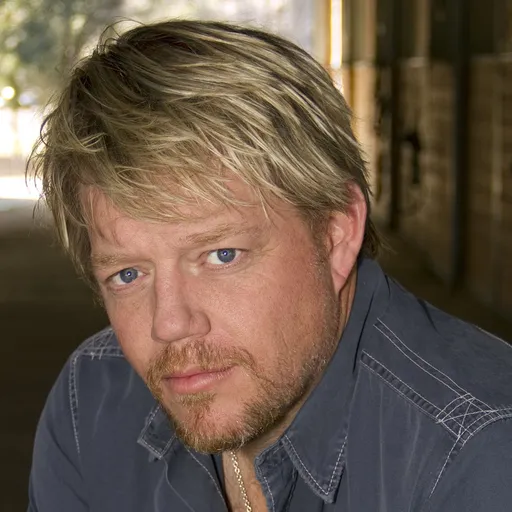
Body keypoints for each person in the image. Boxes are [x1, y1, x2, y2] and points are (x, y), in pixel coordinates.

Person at [27, 20, 512, 512]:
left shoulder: (482, 457)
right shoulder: (93, 399)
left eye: (221, 255)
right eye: (128, 275)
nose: (169, 324)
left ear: (336, 233)